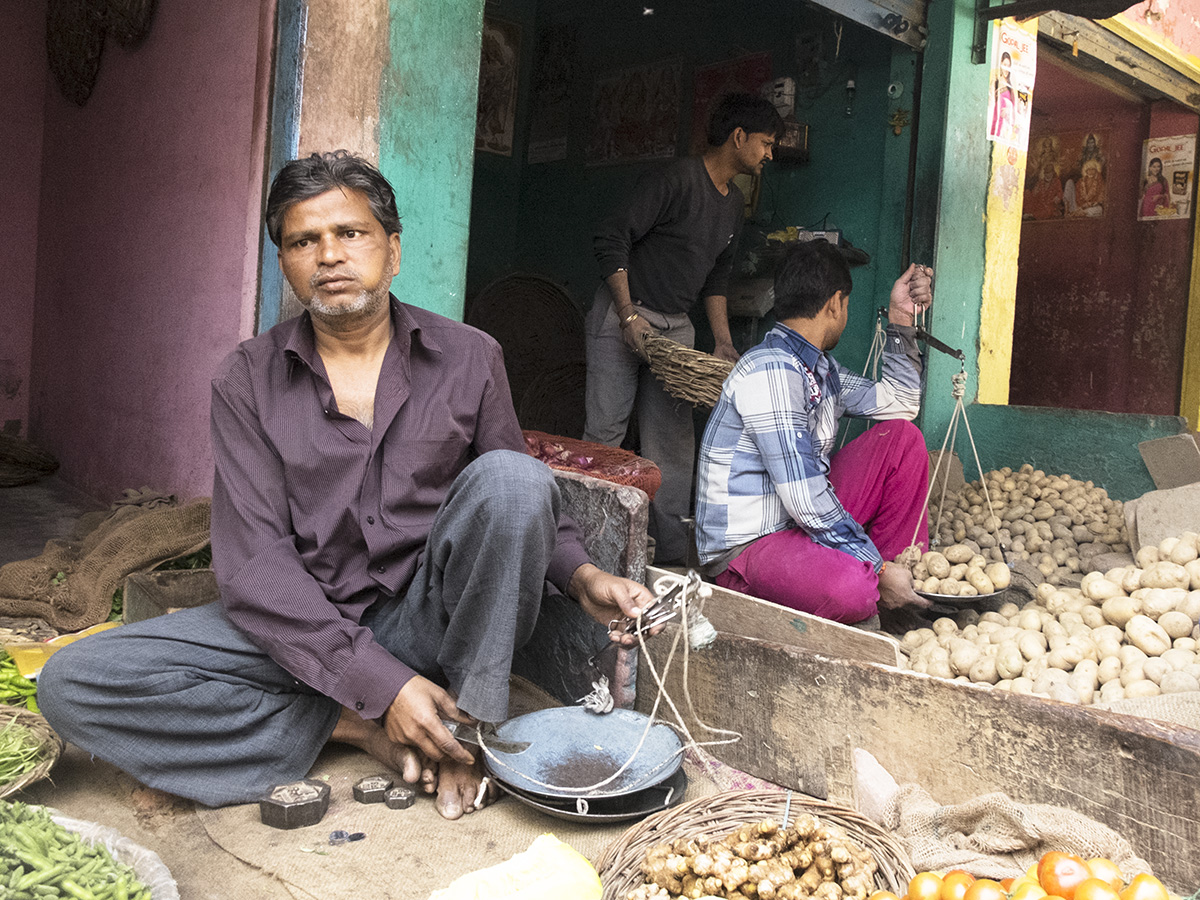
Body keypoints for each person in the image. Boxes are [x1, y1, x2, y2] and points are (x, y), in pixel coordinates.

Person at [38, 151, 655, 820]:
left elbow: (519, 497)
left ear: (392, 251)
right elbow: (255, 569)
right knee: (75, 683)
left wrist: (584, 576)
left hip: (432, 619)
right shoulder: (246, 379)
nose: (328, 254)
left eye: (350, 234)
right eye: (304, 240)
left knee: (512, 478)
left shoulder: (471, 355)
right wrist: (379, 690)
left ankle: (466, 728)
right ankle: (358, 725)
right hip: (304, 632)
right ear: (286, 265)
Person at [586, 92, 785, 565]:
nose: (769, 154)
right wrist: (629, 314)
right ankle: (590, 552)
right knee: (604, 437)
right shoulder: (675, 180)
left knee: (672, 447)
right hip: (622, 316)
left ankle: (672, 558)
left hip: (676, 331)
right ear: (739, 137)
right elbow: (611, 236)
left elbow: (717, 277)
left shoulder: (734, 204)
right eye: (765, 143)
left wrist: (721, 342)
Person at [694, 239, 934, 625]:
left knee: (903, 441)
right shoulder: (770, 370)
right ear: (835, 304)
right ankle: (881, 584)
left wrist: (901, 318)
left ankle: (894, 592)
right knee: (853, 588)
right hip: (751, 547)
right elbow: (805, 499)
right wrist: (877, 570)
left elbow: (902, 403)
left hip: (796, 526)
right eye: (847, 307)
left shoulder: (822, 370)